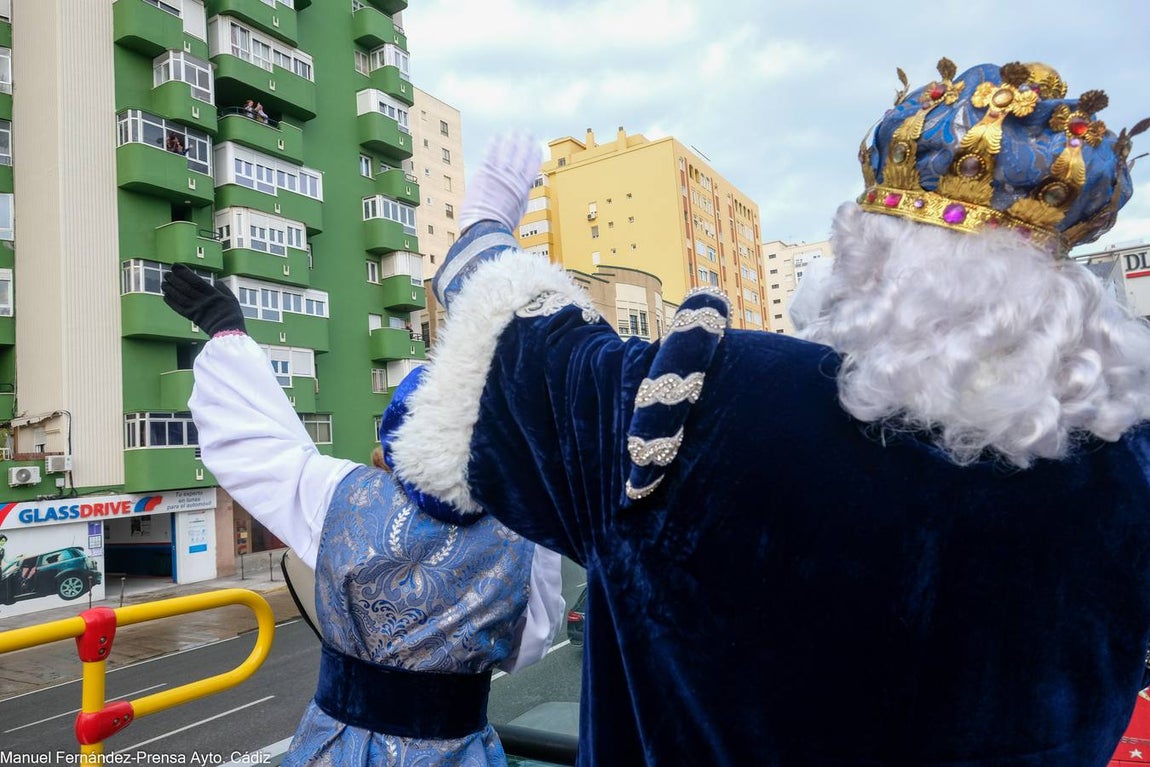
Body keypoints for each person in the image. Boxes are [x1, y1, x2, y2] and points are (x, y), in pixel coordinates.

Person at [387, 60, 1150, 766]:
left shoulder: (719, 399)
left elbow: (528, 363)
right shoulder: (1130, 465)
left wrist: (487, 222)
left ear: (869, 256)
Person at [159, 265, 565, 766]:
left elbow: (256, 445)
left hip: (336, 747)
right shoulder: (527, 529)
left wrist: (226, 330)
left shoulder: (340, 493)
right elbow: (530, 647)